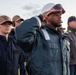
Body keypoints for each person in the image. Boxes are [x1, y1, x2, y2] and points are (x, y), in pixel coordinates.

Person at [16, 3, 70, 75]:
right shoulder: (38, 34)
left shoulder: (64, 38)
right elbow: (21, 35)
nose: (60, 16)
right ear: (46, 16)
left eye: (60, 14)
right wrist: (40, 17)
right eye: (56, 14)